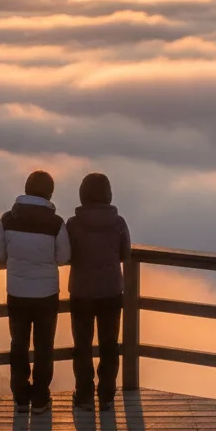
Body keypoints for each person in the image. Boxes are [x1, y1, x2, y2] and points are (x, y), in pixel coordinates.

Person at [0, 170, 70, 414]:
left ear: (26, 189)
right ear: (49, 193)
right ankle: (40, 399)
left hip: (17, 292)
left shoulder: (8, 219)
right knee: (44, 345)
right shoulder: (56, 223)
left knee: (19, 344)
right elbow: (64, 256)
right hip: (46, 294)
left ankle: (20, 398)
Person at [67, 172, 131, 412]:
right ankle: (106, 396)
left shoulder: (73, 224)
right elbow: (125, 254)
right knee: (109, 344)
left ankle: (84, 395)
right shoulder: (119, 223)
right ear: (108, 194)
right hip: (111, 291)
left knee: (82, 344)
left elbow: (66, 254)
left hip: (81, 291)